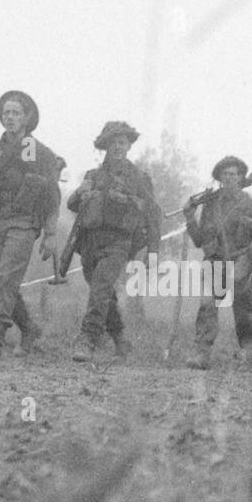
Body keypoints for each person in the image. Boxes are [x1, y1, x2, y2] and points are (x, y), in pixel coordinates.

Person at [0, 90, 64, 362]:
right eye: (6, 112)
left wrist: (51, 233)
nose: (9, 117)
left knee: (6, 279)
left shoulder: (40, 152)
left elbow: (53, 195)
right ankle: (29, 329)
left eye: (16, 113)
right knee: (0, 282)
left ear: (27, 117)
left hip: (23, 222)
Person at [67, 121, 161, 362]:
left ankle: (88, 338)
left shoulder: (139, 178)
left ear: (129, 146)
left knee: (101, 286)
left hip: (119, 242)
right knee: (102, 291)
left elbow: (153, 215)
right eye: (113, 143)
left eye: (122, 142)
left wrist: (153, 252)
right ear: (105, 146)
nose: (117, 147)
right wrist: (80, 193)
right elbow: (72, 205)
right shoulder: (93, 175)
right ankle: (120, 339)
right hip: (90, 242)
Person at [183, 156, 252, 370]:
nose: (230, 178)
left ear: (241, 177)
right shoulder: (210, 204)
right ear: (220, 178)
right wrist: (190, 218)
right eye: (225, 174)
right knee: (207, 306)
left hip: (241, 262)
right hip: (215, 262)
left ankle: (249, 355)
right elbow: (200, 239)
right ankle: (201, 353)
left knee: (244, 311)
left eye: (234, 174)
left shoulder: (250, 205)